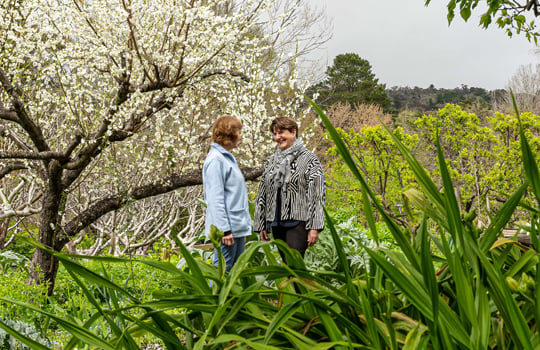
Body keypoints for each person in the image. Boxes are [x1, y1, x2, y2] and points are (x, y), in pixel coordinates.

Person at [254, 117, 325, 262]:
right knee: (286, 266)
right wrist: (261, 223)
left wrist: (315, 227)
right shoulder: (272, 161)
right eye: (275, 134)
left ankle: (301, 285)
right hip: (277, 223)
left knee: (295, 266)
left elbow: (317, 194)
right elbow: (263, 192)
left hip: (298, 222)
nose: (277, 137)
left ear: (293, 132)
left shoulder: (309, 159)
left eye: (281, 133)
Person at [203, 115, 252, 273]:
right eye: (239, 132)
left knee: (235, 274)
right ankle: (215, 298)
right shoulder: (216, 161)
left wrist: (241, 229)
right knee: (222, 274)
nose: (241, 136)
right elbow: (214, 199)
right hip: (226, 230)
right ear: (229, 134)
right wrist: (224, 230)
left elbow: (234, 196)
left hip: (236, 227)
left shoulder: (227, 159)